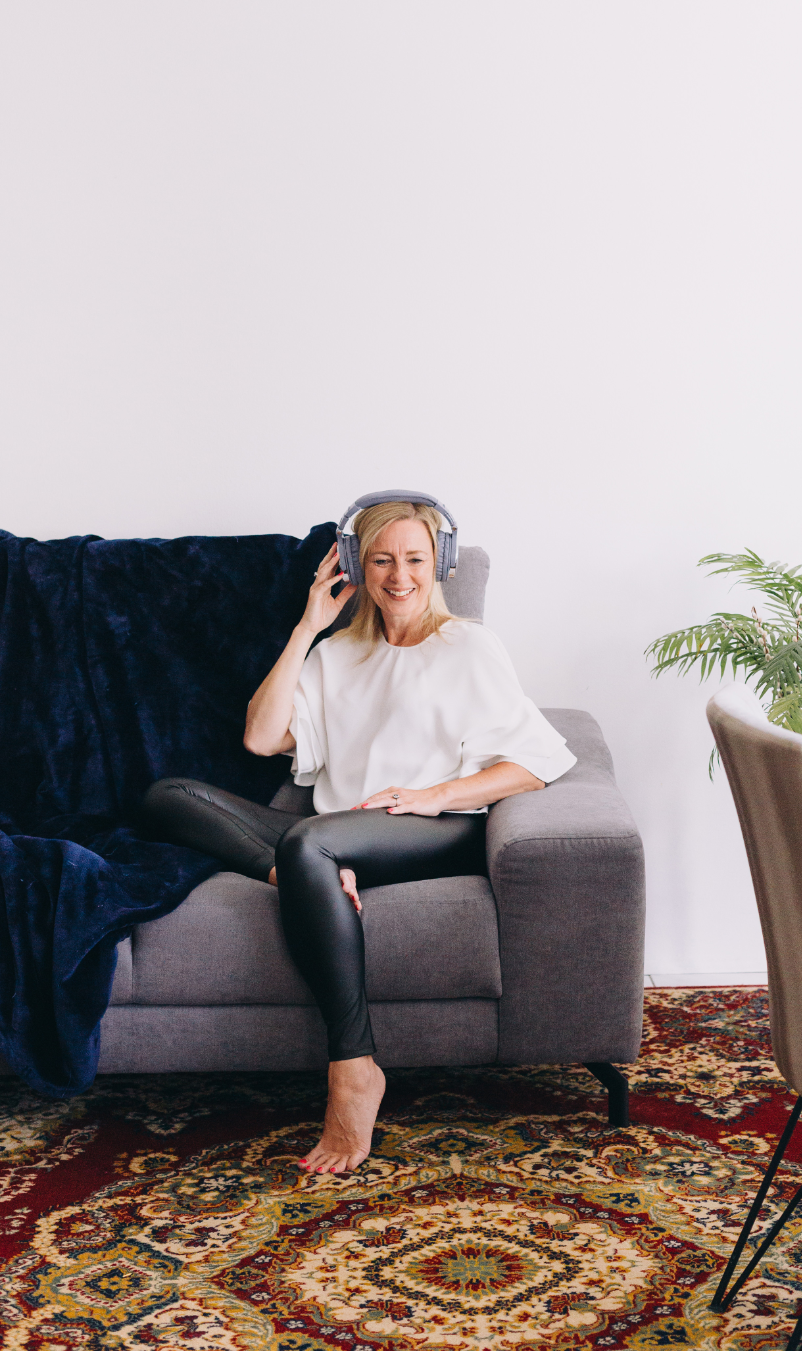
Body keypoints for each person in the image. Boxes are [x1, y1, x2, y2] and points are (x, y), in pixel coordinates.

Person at [141, 495, 576, 1175]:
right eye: (381, 560)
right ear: (355, 565)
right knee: (169, 797)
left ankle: (352, 1068)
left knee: (310, 842)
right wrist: (309, 624)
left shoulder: (470, 646)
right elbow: (261, 737)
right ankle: (302, 876)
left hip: (436, 829)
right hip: (334, 832)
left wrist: (434, 795)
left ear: (441, 564)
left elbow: (535, 764)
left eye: (415, 560)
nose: (398, 577)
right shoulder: (337, 653)